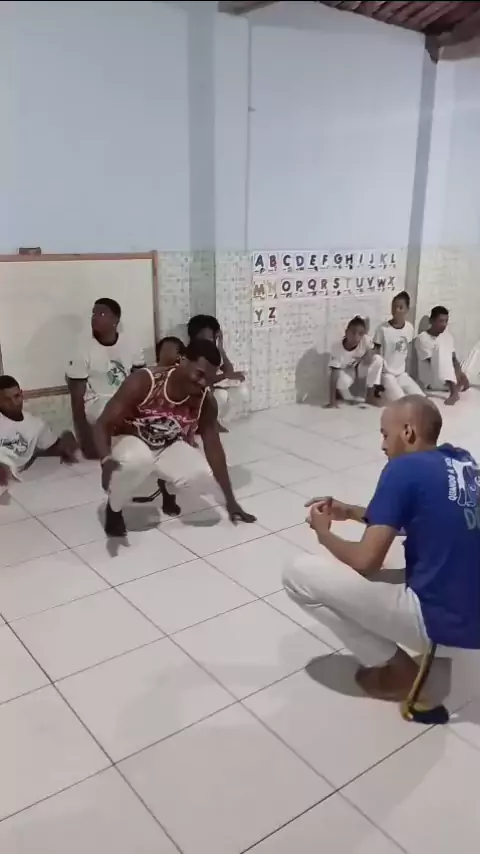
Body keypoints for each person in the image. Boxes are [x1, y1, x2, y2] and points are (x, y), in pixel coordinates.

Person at [283, 395, 480, 702]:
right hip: (471, 614)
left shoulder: (402, 469)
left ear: (408, 431)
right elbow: (423, 517)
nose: (382, 445)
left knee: (297, 575)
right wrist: (350, 512)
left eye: (385, 435)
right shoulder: (461, 460)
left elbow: (366, 561)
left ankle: (399, 671)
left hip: (442, 621)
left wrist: (324, 534)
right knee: (392, 555)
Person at [95, 338, 257, 537]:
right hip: (130, 440)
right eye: (199, 374)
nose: (203, 383)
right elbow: (103, 423)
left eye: (208, 378)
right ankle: (114, 510)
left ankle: (167, 488)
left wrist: (231, 501)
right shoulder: (145, 381)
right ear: (183, 361)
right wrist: (105, 458)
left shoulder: (205, 400)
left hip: (167, 444)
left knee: (201, 475)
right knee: (138, 461)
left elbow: (214, 446)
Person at [67, 298, 145, 458]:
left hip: (125, 398)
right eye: (93, 313)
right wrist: (85, 439)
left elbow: (141, 381)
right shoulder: (82, 349)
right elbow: (77, 398)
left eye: (101, 313)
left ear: (115, 320)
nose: (95, 317)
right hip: (98, 402)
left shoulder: (131, 344)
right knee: (116, 416)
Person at [0, 375, 78, 493]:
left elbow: (56, 446)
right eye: (6, 400)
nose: (14, 403)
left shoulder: (36, 425)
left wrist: (68, 439)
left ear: (21, 394)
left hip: (8, 477)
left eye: (16, 396)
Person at [187, 314, 248, 430]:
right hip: (196, 394)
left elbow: (229, 370)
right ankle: (206, 424)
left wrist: (220, 348)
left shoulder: (212, 352)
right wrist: (225, 376)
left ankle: (217, 422)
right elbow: (204, 380)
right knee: (221, 395)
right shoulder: (193, 353)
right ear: (195, 336)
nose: (209, 340)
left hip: (210, 389)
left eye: (211, 337)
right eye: (205, 337)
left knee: (241, 390)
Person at [372, 291, 424, 401]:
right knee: (402, 401)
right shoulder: (382, 329)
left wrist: (408, 375)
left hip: (401, 374)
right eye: (394, 307)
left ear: (407, 310)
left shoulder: (409, 328)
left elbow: (407, 353)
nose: (396, 310)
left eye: (400, 307)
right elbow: (376, 356)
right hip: (387, 375)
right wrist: (376, 383)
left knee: (422, 399)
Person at [415, 306, 469, 406]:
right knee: (440, 346)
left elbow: (453, 359)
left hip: (446, 380)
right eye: (440, 321)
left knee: (466, 365)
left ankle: (456, 384)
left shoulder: (447, 337)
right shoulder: (422, 338)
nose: (444, 324)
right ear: (431, 321)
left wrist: (460, 374)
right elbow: (435, 364)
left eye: (446, 321)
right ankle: (454, 391)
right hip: (431, 381)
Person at [326, 316, 384, 407]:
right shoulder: (337, 347)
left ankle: (370, 395)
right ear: (346, 332)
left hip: (359, 368)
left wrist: (369, 353)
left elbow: (376, 349)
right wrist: (332, 401)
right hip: (346, 372)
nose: (356, 337)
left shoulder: (365, 340)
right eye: (353, 332)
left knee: (378, 359)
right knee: (342, 381)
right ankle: (338, 394)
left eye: (360, 334)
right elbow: (334, 373)